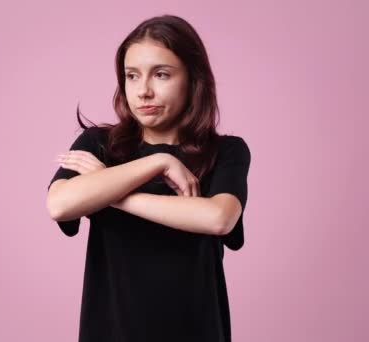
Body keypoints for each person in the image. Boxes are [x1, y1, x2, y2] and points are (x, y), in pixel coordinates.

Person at [46, 14, 251, 342]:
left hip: (196, 330)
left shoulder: (225, 151)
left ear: (193, 79)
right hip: (110, 331)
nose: (143, 91)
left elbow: (219, 217)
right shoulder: (99, 144)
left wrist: (112, 191)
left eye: (161, 74)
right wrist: (158, 162)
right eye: (131, 76)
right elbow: (60, 204)